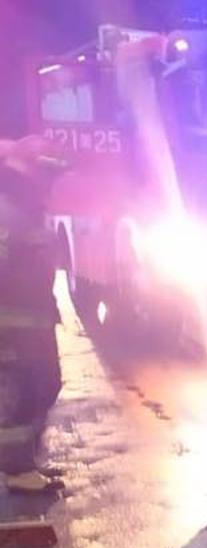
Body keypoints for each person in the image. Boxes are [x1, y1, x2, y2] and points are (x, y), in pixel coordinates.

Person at [0, 135, 68, 493]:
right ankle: (17, 470)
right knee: (23, 393)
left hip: (34, 322)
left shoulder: (27, 208)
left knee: (45, 385)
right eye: (48, 172)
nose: (51, 181)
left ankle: (26, 460)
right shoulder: (9, 211)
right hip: (14, 326)